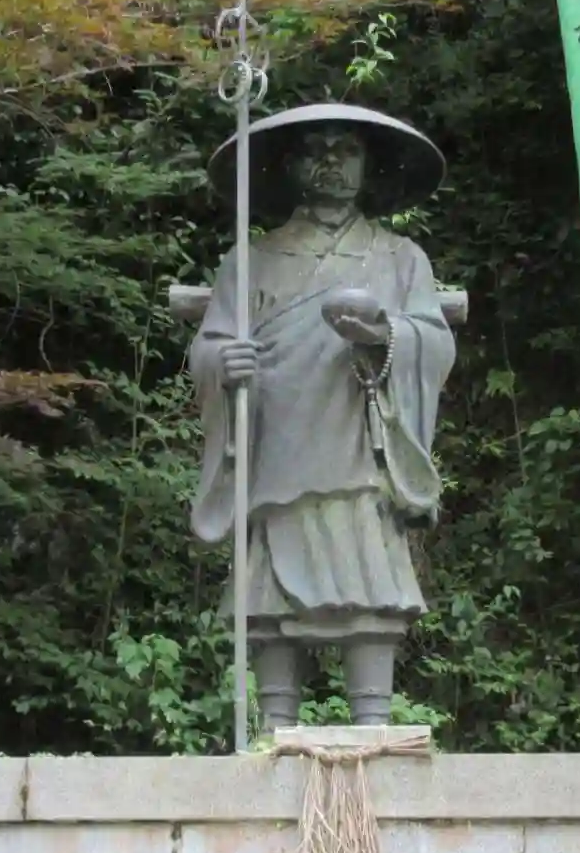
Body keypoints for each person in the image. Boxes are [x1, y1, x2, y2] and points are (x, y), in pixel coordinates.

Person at [189, 103, 455, 730]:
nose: (331, 163)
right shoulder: (252, 259)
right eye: (314, 150)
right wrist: (223, 362)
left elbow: (435, 342)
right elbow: (210, 344)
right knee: (269, 602)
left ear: (370, 166)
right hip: (279, 443)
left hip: (359, 444)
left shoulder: (401, 258)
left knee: (371, 590)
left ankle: (374, 722)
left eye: (347, 150)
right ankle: (274, 724)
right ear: (288, 166)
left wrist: (387, 336)